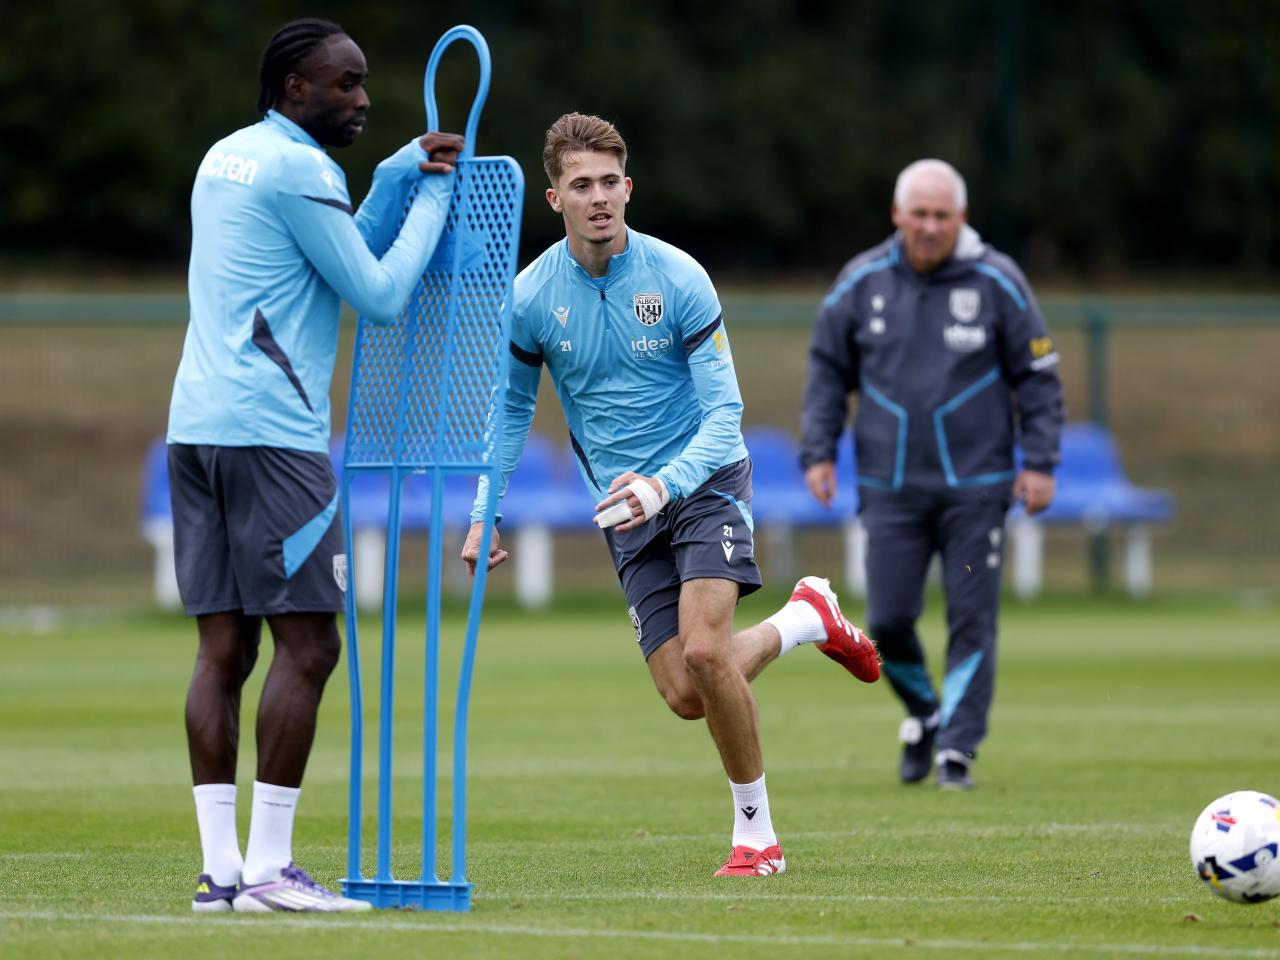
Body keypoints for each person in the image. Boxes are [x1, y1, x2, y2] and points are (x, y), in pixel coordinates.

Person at [461, 113, 880, 878]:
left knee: (704, 649)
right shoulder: (528, 298)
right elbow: (511, 410)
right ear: (554, 198)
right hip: (625, 509)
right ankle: (805, 618)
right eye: (579, 184)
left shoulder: (679, 277)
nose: (598, 198)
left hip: (704, 480)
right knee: (688, 692)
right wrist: (482, 512)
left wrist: (666, 483)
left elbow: (726, 416)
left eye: (609, 182)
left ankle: (757, 837)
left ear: (629, 187)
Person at [167, 18, 463, 912]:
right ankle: (270, 872)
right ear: (295, 90)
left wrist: (391, 177)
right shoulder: (303, 168)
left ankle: (222, 875)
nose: (363, 98)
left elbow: (328, 251)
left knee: (223, 651)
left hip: (194, 428)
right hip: (273, 438)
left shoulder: (227, 156)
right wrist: (433, 205)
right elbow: (376, 290)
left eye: (363, 81)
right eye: (346, 84)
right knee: (313, 644)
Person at [800, 159, 1064, 791]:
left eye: (942, 216)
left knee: (972, 619)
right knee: (886, 621)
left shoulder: (998, 280)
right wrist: (818, 451)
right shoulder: (860, 282)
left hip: (978, 485)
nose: (929, 226)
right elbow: (827, 370)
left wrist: (1041, 463)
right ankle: (926, 712)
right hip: (889, 487)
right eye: (918, 214)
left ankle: (957, 751)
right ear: (897, 215)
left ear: (961, 219)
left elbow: (1039, 376)